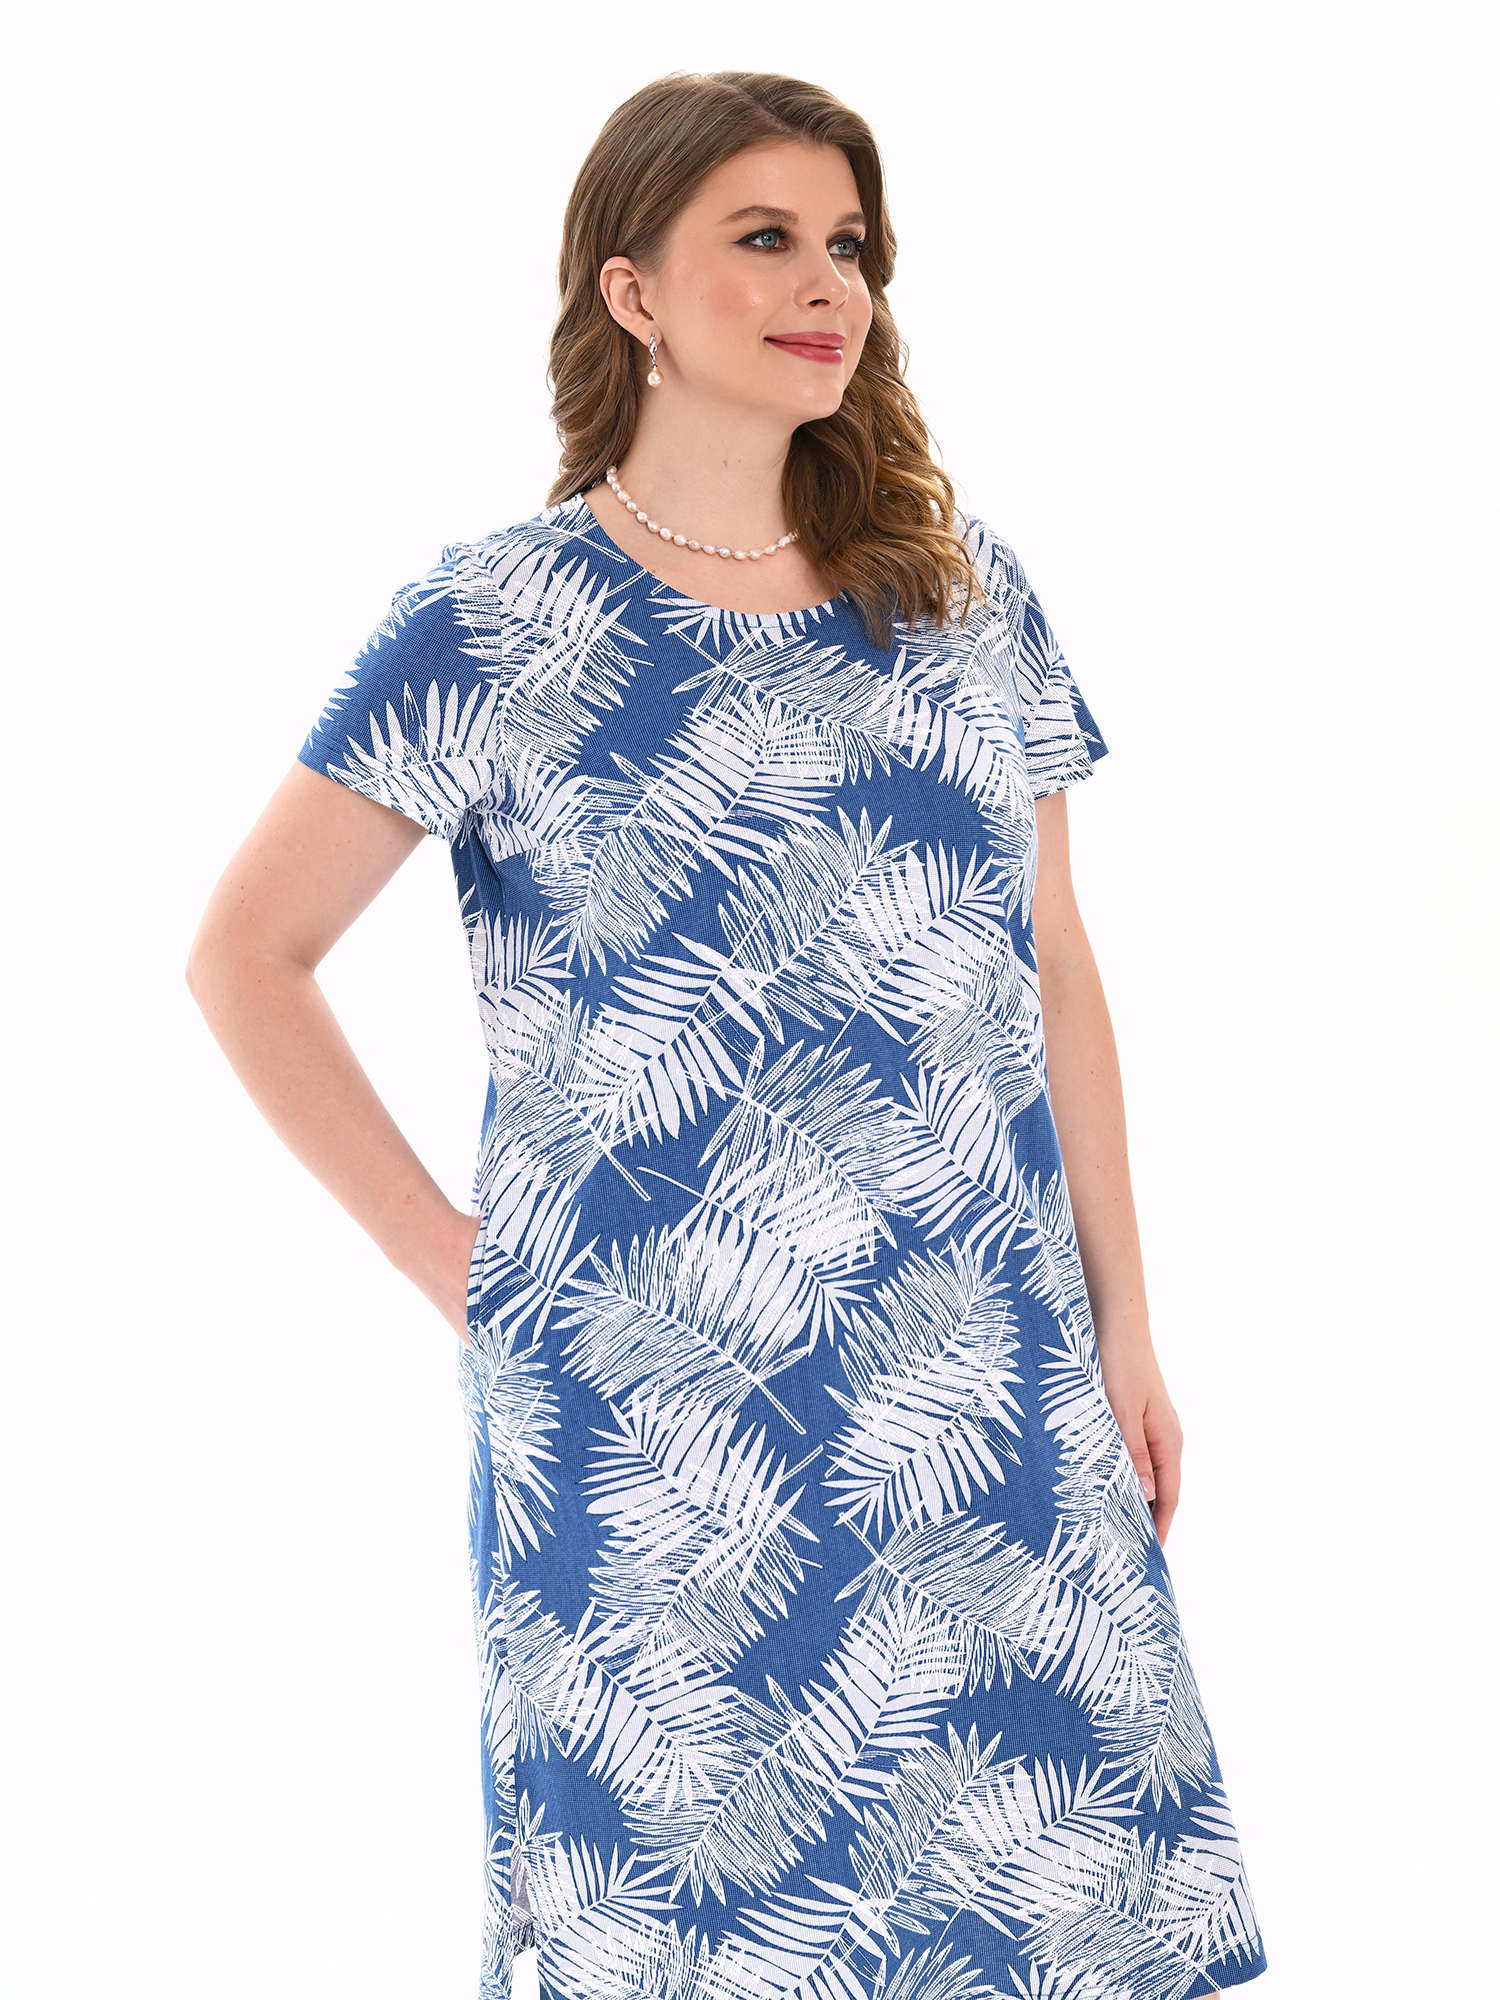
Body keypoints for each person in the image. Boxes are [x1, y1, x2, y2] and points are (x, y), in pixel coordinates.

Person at [188, 69, 1267, 2000]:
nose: (826, 283)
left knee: (1040, 1907)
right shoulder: (497, 618)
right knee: (696, 1919)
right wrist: (464, 1266)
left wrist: (1124, 1323)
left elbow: (1055, 961)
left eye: (848, 244)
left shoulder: (963, 596)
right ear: (631, 293)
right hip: (664, 1418)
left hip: (982, 1377)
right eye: (763, 239)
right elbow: (245, 956)